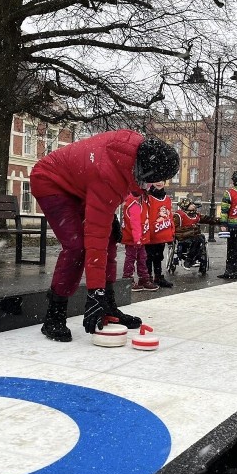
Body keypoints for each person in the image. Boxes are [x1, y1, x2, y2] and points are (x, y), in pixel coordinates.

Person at [31, 130, 180, 341]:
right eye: (152, 181)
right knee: (77, 246)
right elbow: (95, 241)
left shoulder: (133, 154)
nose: (150, 187)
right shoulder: (108, 176)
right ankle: (54, 316)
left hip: (81, 184)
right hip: (50, 180)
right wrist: (94, 292)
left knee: (110, 236)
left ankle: (108, 307)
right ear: (144, 172)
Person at [121, 189, 158, 292]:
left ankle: (142, 278)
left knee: (141, 258)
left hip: (139, 238)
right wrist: (137, 239)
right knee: (132, 258)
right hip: (134, 238)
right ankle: (129, 278)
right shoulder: (135, 204)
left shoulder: (140, 202)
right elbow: (135, 223)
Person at [145, 181, 175, 288]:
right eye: (156, 180)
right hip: (150, 234)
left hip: (162, 233)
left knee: (159, 256)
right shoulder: (148, 197)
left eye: (162, 180)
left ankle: (158, 277)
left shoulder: (167, 199)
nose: (159, 183)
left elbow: (170, 216)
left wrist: (172, 231)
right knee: (148, 257)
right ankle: (147, 278)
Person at [172, 198, 213, 269]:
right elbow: (176, 229)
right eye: (191, 204)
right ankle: (189, 260)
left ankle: (195, 258)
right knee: (197, 239)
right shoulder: (179, 215)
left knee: (201, 238)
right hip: (183, 237)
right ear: (186, 206)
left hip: (193, 236)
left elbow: (207, 219)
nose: (194, 205)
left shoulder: (195, 215)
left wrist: (221, 221)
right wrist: (191, 230)